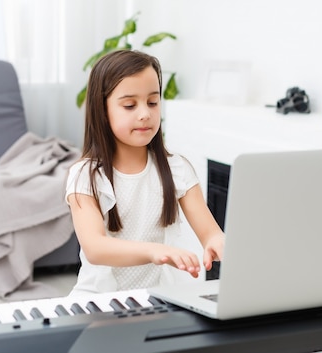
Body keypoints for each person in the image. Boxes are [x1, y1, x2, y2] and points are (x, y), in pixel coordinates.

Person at [66, 49, 224, 295]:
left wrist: (217, 243)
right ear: (102, 110)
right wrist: (154, 251)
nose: (145, 114)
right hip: (97, 302)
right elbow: (95, 248)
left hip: (160, 300)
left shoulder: (177, 169)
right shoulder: (86, 175)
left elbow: (211, 233)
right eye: (130, 105)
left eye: (152, 102)